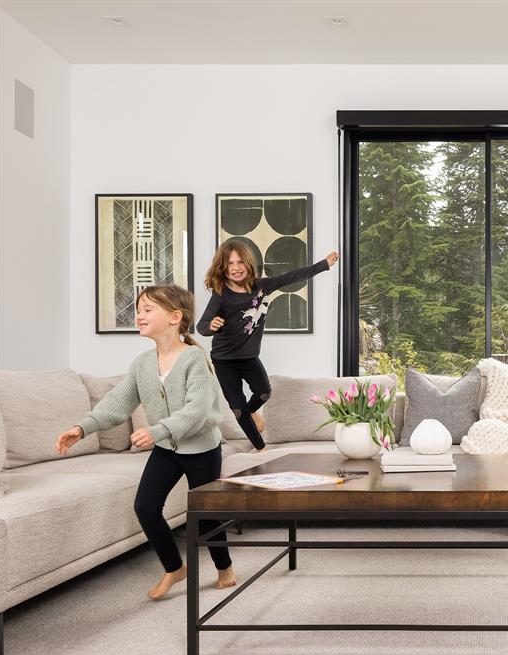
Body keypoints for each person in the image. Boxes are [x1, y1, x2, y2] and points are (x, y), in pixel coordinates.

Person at [56, 285, 237, 600]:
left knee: (206, 513)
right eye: (139, 310)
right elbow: (118, 402)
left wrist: (158, 431)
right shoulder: (141, 364)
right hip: (167, 449)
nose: (139, 315)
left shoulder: (195, 359)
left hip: (202, 449)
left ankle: (225, 567)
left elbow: (197, 410)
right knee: (145, 507)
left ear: (174, 317)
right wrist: (83, 428)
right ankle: (174, 568)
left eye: (148, 310)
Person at [198, 239, 339, 449]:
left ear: (248, 263)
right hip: (223, 360)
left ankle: (251, 411)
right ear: (223, 268)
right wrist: (212, 326)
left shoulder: (261, 287)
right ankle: (261, 448)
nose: (235, 268)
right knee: (238, 408)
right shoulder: (221, 295)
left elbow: (291, 276)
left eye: (240, 262)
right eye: (230, 264)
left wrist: (324, 264)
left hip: (249, 357)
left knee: (264, 392)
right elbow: (201, 326)